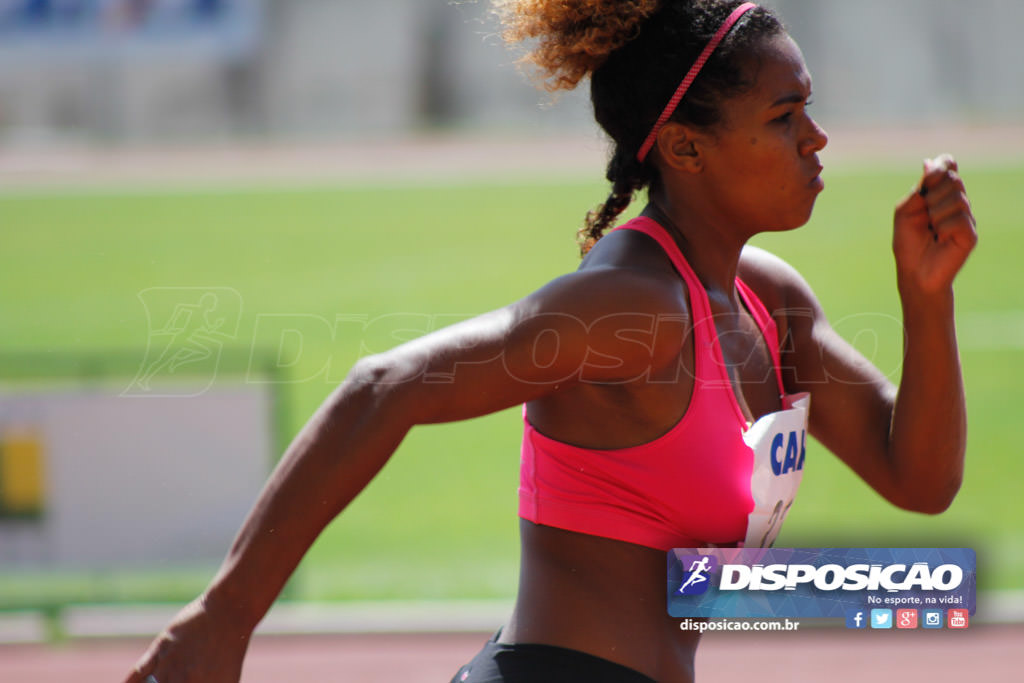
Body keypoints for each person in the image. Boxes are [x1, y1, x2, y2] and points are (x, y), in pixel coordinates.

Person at [124, 1, 977, 681]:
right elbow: (384, 386)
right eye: (785, 114)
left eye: (810, 108)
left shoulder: (770, 299)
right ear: (685, 148)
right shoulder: (633, 307)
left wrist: (925, 297)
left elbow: (919, 477)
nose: (816, 138)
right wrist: (224, 616)